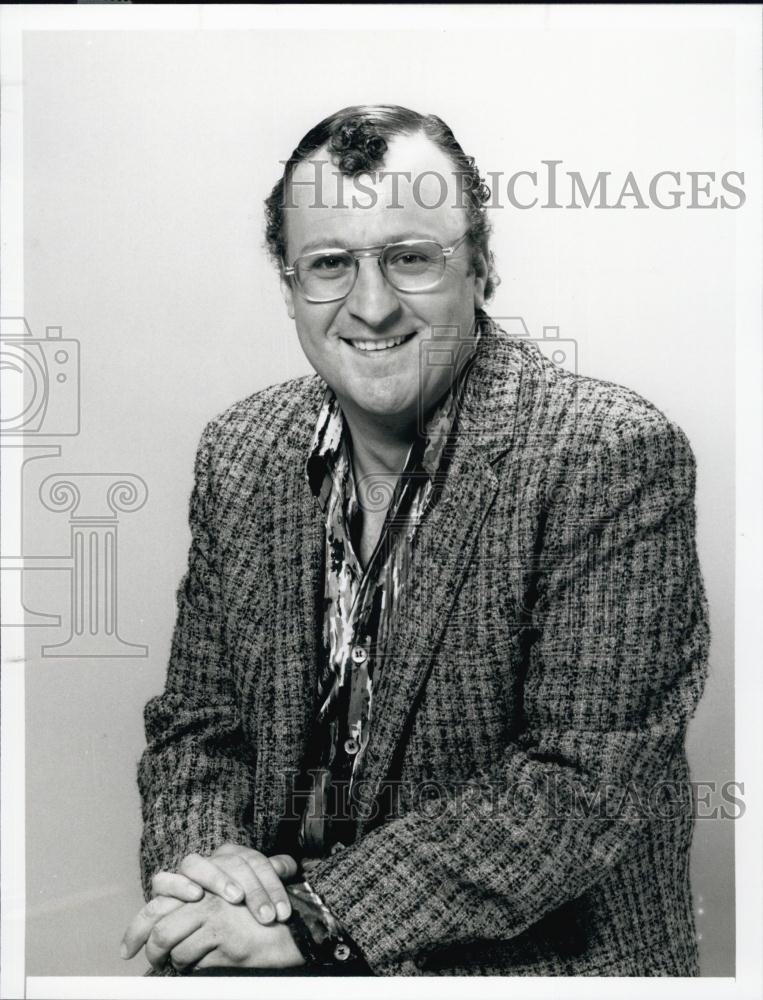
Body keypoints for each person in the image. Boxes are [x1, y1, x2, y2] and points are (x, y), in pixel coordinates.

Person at [121, 105, 711, 977]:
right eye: (329, 264)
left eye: (409, 257)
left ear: (481, 268)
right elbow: (197, 727)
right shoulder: (240, 451)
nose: (370, 304)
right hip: (266, 945)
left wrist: (312, 921)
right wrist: (213, 871)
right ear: (290, 287)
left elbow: (577, 784)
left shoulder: (607, 454)